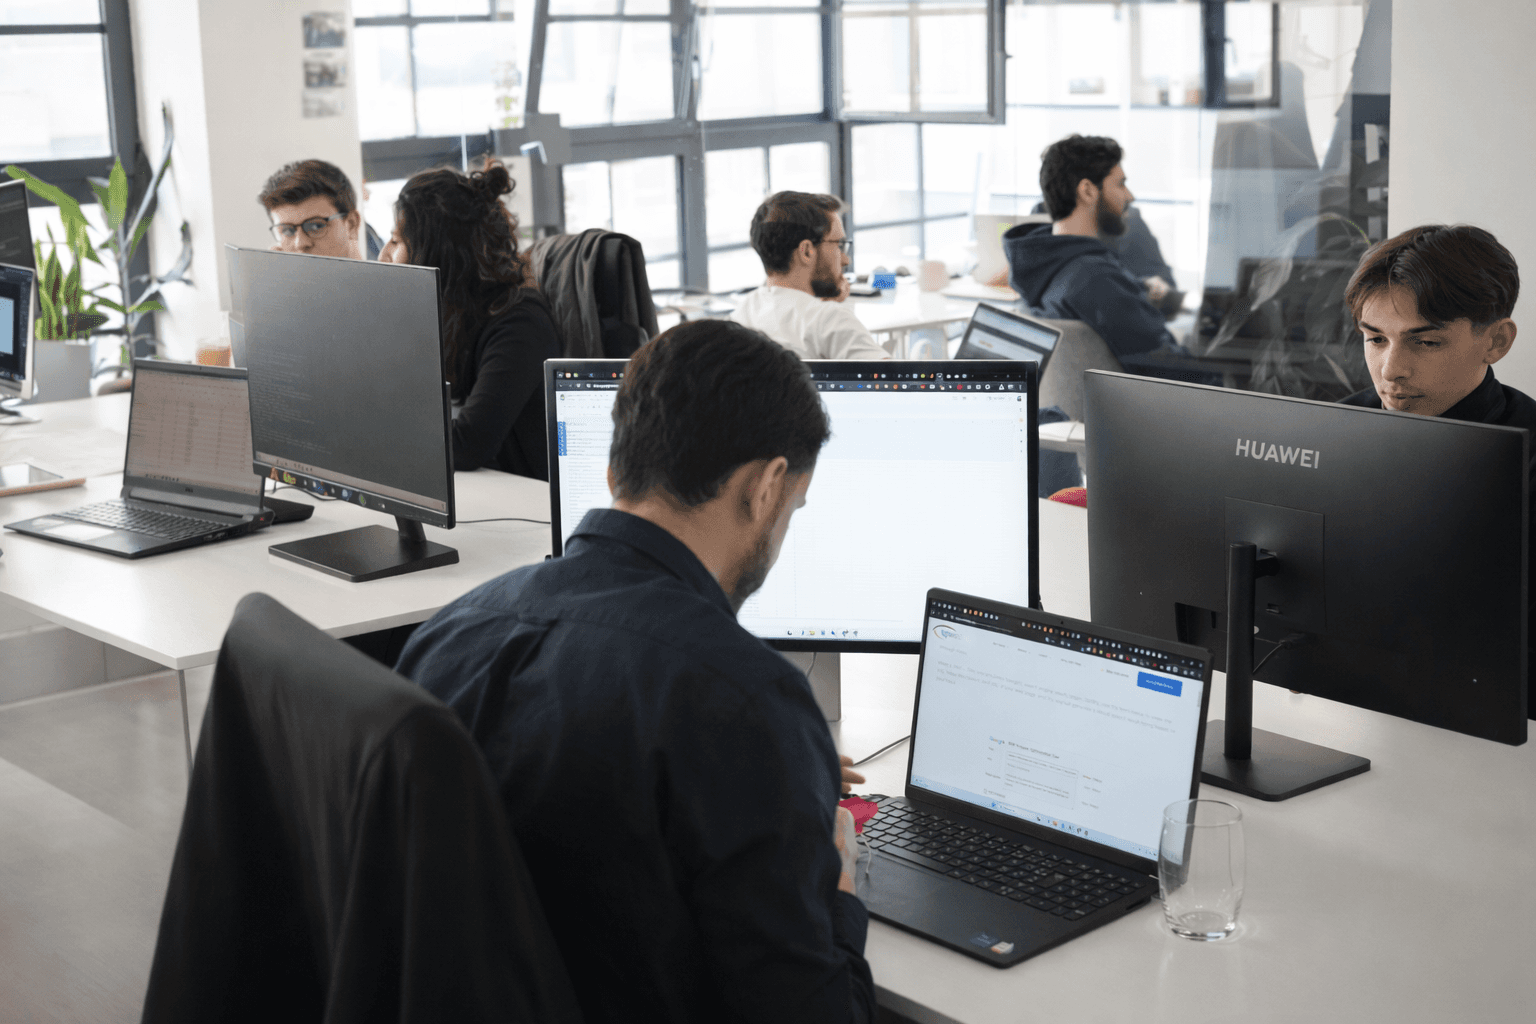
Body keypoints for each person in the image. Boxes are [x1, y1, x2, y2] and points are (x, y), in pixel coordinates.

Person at [395, 318, 875, 1024]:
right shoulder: (744, 699)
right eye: (793, 508)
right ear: (768, 487)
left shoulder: (449, 634)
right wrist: (840, 895)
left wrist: (777, 770)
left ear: (618, 467)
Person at [1339, 223, 1535, 715]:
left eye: (1424, 343)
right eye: (1375, 339)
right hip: (1348, 708)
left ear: (1496, 342)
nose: (1391, 370)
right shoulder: (1329, 434)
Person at [381, 159, 560, 479]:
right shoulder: (444, 316)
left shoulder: (520, 324)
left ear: (436, 253)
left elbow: (468, 443)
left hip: (520, 504)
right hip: (472, 491)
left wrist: (364, 431)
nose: (383, 255)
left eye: (396, 242)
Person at [1003, 135, 1178, 364]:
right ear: (1087, 191)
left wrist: (1137, 288)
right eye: (1120, 184)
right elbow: (1167, 367)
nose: (1130, 196)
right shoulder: (1096, 278)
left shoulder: (1043, 267)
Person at [732, 191, 889, 360]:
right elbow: (896, 383)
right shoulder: (831, 321)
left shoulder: (741, 314)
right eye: (839, 245)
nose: (845, 259)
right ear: (806, 251)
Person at [257, 159, 366, 260]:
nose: (300, 244)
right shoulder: (270, 279)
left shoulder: (381, 280)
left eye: (316, 226)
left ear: (352, 224)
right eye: (287, 230)